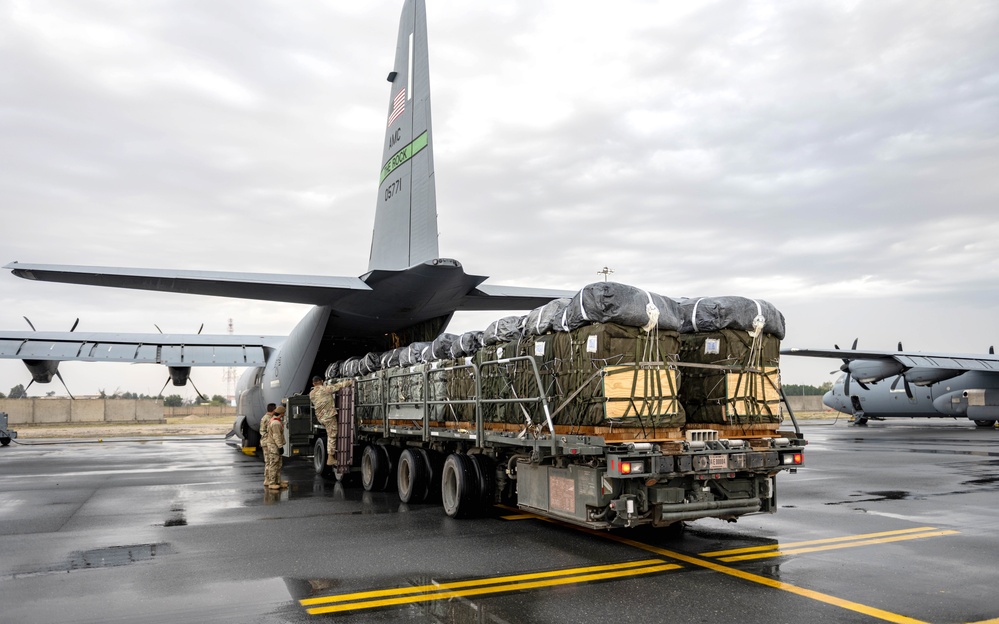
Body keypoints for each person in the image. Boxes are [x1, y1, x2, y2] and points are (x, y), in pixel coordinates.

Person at [309, 375, 353, 466]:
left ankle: (331, 456)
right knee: (332, 435)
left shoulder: (311, 393)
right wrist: (350, 382)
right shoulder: (325, 389)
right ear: (322, 381)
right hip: (329, 416)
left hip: (320, 417)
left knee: (330, 433)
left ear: (313, 383)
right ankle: (330, 457)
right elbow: (339, 385)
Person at [263, 406, 288, 490]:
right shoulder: (276, 423)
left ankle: (277, 481)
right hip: (274, 445)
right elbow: (276, 436)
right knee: (274, 464)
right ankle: (272, 483)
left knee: (278, 464)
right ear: (282, 413)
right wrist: (280, 446)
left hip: (275, 445)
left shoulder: (274, 420)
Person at [259, 403, 276, 486]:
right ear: (273, 409)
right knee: (269, 462)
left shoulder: (265, 417)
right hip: (267, 442)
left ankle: (267, 479)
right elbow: (264, 432)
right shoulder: (268, 419)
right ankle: (267, 480)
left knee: (268, 461)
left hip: (265, 442)